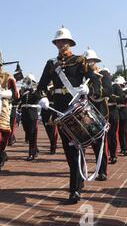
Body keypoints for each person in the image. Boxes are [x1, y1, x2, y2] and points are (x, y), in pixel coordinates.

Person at [37, 26, 101, 204]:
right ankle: (77, 186)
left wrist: (89, 88)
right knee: (70, 150)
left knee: (79, 146)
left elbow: (95, 80)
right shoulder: (51, 64)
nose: (61, 43)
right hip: (60, 110)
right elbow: (40, 87)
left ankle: (75, 187)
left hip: (77, 107)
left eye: (64, 41)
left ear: (70, 42)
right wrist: (43, 98)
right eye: (58, 41)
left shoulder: (80, 60)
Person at [84, 49, 109, 181]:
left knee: (99, 143)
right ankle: (80, 171)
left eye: (91, 61)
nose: (89, 63)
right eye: (87, 61)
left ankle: (102, 170)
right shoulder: (82, 76)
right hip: (85, 114)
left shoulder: (102, 74)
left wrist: (93, 92)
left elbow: (108, 90)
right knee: (83, 142)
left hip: (99, 113)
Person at [18, 74, 40, 161]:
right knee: (28, 134)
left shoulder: (35, 91)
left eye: (29, 81)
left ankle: (31, 154)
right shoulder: (23, 91)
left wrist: (33, 89)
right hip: (24, 115)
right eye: (26, 81)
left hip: (32, 115)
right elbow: (19, 101)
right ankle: (35, 149)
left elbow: (38, 98)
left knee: (31, 135)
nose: (27, 82)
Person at [115, 77, 127, 156]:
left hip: (124, 113)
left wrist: (123, 94)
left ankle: (125, 148)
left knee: (124, 132)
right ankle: (122, 148)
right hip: (118, 112)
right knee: (119, 132)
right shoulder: (115, 91)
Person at [41, 83, 58, 155]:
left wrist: (53, 114)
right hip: (44, 111)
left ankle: (53, 146)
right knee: (48, 129)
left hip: (52, 109)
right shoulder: (43, 88)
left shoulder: (54, 88)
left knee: (53, 130)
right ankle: (52, 143)